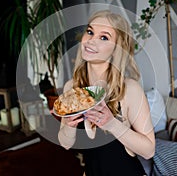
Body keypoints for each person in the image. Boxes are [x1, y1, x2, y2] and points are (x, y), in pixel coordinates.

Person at [58, 10, 155, 176]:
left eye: (104, 37)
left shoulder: (129, 90)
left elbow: (149, 151)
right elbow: (65, 143)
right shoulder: (72, 88)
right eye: (90, 32)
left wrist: (112, 124)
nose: (91, 41)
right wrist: (68, 125)